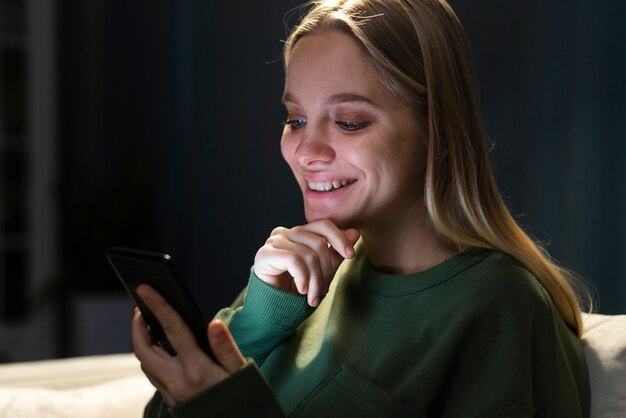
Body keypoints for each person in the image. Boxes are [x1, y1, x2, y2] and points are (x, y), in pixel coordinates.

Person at [132, 0, 591, 416]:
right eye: (295, 119)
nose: (307, 150)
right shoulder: (299, 280)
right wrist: (257, 320)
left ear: (436, 129)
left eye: (349, 122)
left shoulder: (498, 307)